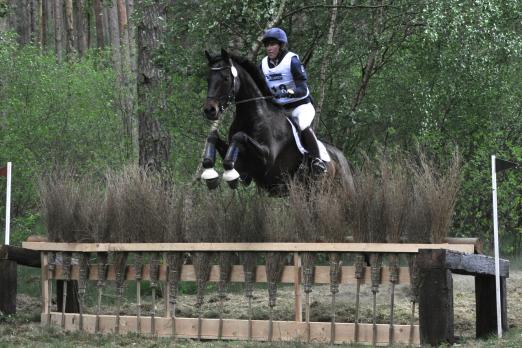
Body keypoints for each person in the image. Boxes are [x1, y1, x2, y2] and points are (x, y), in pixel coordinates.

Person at [260, 27, 327, 175]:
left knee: (302, 125)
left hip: (300, 106)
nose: (269, 48)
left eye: (272, 44)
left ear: (281, 45)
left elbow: (302, 89)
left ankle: (317, 160)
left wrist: (287, 92)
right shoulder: (263, 64)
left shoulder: (292, 60)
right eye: (267, 45)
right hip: (280, 109)